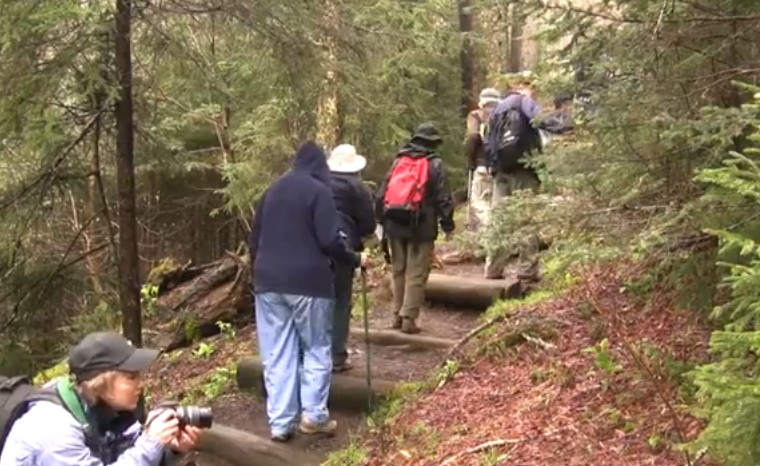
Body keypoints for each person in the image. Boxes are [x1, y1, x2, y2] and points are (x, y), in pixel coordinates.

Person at [249, 141, 363, 442]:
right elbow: (329, 240)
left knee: (277, 352)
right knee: (315, 347)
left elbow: (255, 239)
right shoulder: (318, 191)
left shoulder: (273, 190)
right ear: (320, 166)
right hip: (309, 283)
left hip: (268, 283)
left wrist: (258, 273)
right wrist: (353, 258)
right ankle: (313, 416)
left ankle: (281, 423)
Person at [0, 331, 202, 466]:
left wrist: (169, 450)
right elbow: (141, 454)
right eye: (130, 377)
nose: (140, 383)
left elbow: (126, 456)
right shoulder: (54, 430)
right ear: (100, 382)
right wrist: (151, 444)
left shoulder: (102, 410)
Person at [375, 123, 455, 334]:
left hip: (394, 224)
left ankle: (396, 317)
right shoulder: (435, 164)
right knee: (416, 273)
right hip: (421, 226)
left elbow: (381, 194)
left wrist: (381, 221)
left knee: (398, 270)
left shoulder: (399, 161)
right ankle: (409, 318)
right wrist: (447, 224)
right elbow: (443, 197)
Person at [484, 73, 543, 281]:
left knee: (499, 219)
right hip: (524, 169)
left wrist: (492, 168)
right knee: (526, 219)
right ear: (523, 86)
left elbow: (488, 141)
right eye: (530, 86)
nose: (532, 90)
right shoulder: (524, 102)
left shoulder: (498, 109)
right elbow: (541, 119)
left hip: (501, 171)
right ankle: (527, 271)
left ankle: (493, 269)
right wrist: (568, 127)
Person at [326, 144, 376, 373]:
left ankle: (313, 354)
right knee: (340, 300)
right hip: (343, 248)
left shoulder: (318, 183)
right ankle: (336, 355)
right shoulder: (357, 187)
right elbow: (368, 224)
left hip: (315, 247)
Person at [464, 88, 501, 228]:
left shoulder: (476, 115)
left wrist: (470, 159)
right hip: (499, 166)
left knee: (479, 201)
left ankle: (487, 228)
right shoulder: (503, 114)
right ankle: (497, 229)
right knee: (495, 200)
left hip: (481, 166)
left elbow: (473, 137)